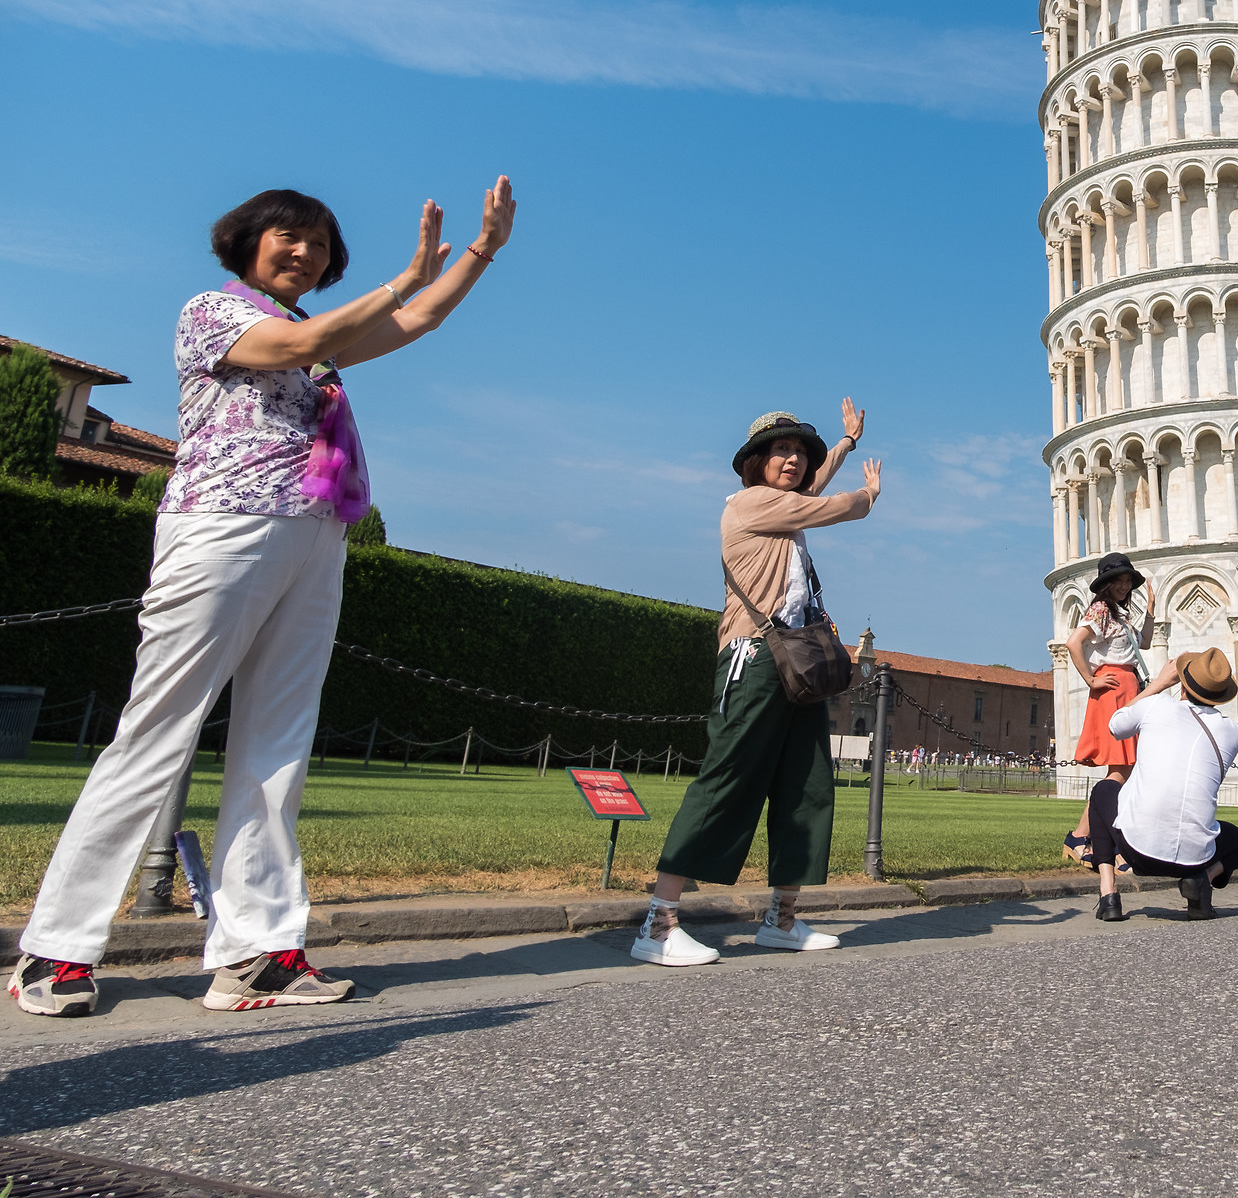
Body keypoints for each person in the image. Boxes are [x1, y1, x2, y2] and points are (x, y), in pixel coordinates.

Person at [11, 182, 517, 1021]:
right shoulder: (214, 312)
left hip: (316, 535)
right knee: (156, 733)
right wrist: (403, 274)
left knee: (277, 748)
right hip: (224, 527)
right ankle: (56, 951)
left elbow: (415, 323)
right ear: (247, 241)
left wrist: (478, 255)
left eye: (320, 245)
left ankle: (256, 954)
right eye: (291, 237)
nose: (306, 254)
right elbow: (315, 333)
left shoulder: (315, 348)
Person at [633, 408, 880, 968]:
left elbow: (812, 488)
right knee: (726, 780)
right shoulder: (748, 505)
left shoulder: (785, 510)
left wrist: (843, 443)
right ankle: (659, 923)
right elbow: (827, 504)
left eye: (799, 451)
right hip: (755, 658)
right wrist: (866, 497)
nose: (792, 459)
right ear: (754, 463)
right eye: (779, 451)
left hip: (795, 661)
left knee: (806, 784)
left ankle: (782, 919)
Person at [1087, 650, 1238, 921]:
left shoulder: (1158, 704)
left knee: (1102, 791)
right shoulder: (1233, 733)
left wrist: (1159, 684)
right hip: (1195, 858)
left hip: (1137, 849)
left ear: (1183, 683)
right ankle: (1202, 879)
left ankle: (1109, 896)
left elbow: (1115, 725)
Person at [1062, 552, 1155, 868]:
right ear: (1107, 583)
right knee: (1120, 769)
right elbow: (1074, 642)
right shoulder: (1101, 609)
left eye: (1128, 580)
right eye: (1119, 580)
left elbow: (1142, 644)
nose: (1125, 585)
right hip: (1113, 688)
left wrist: (1151, 612)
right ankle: (1089, 839)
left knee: (1123, 769)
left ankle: (1081, 837)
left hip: (1128, 686)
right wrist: (1091, 678)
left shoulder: (1120, 614)